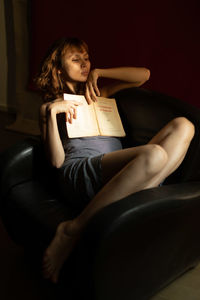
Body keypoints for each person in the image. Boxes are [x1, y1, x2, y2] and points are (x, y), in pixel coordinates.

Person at [35, 37, 195, 283]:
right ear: (58, 69)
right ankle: (72, 229)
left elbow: (143, 75)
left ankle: (141, 188)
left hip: (117, 172)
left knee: (184, 126)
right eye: (75, 60)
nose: (84, 64)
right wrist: (49, 116)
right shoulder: (51, 106)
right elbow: (56, 162)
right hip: (81, 172)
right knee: (154, 155)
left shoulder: (101, 94)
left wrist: (100, 73)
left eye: (86, 58)